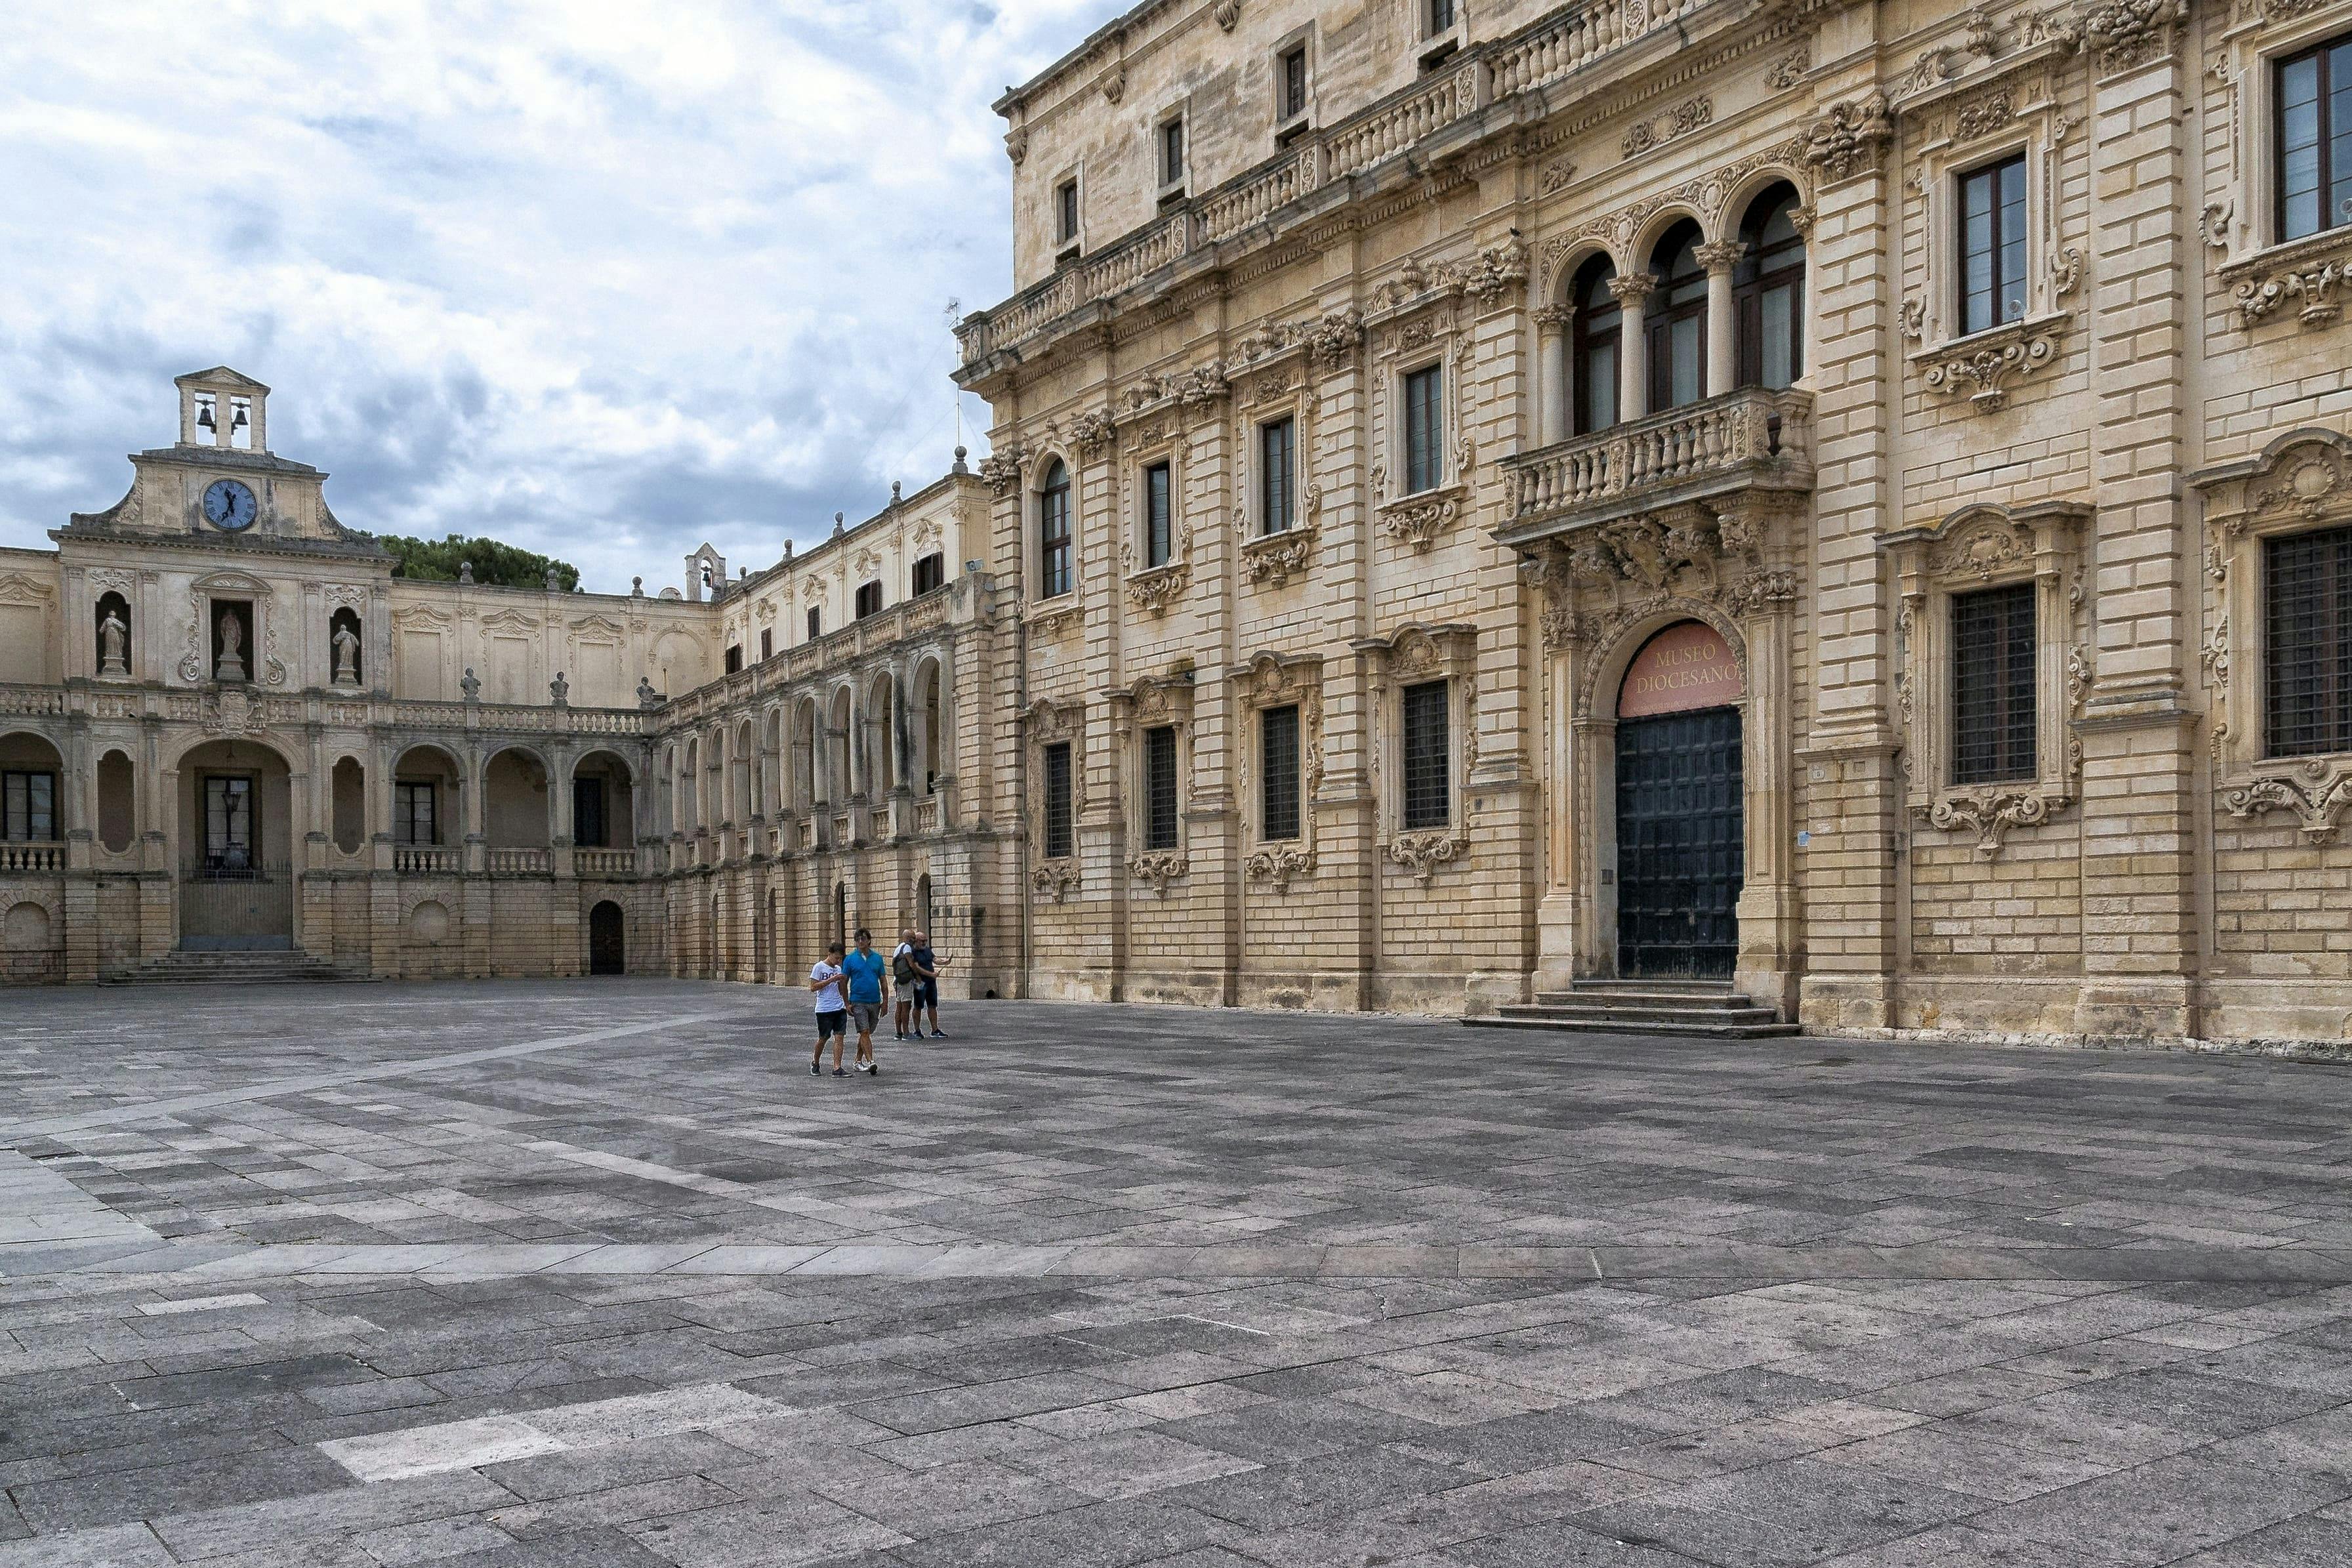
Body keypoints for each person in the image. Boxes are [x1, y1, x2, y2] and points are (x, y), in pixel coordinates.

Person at [840, 927, 890, 1076]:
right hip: (858, 1001)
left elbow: (883, 980)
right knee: (865, 1031)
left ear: (869, 940)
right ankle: (871, 1062)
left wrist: (886, 1001)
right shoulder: (849, 959)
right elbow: (843, 981)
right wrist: (846, 1002)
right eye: (858, 939)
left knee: (866, 1033)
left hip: (875, 1000)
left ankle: (857, 1061)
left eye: (863, 939)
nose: (860, 942)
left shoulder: (877, 959)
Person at [809, 939, 850, 1077]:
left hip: (838, 1007)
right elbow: (813, 987)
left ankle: (837, 1067)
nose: (838, 961)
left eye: (840, 959)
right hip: (824, 1008)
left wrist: (847, 1003)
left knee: (840, 1037)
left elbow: (842, 989)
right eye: (837, 958)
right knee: (824, 1037)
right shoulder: (819, 967)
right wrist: (831, 980)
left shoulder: (838, 969)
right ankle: (815, 1061)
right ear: (830, 954)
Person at [909, 930, 946, 1039]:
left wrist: (944, 961)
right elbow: (917, 968)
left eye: (926, 940)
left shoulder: (927, 950)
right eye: (922, 941)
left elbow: (935, 959)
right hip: (920, 982)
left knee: (933, 1005)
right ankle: (917, 1030)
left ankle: (935, 1030)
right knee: (918, 1006)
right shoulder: (913, 952)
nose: (925, 942)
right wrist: (931, 974)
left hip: (931, 983)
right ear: (916, 941)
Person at [891, 926, 919, 1041]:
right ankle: (906, 1033)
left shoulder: (898, 948)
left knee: (899, 1007)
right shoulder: (907, 947)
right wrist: (918, 977)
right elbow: (911, 964)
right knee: (906, 1007)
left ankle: (899, 1033)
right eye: (913, 938)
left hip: (898, 979)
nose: (915, 940)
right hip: (905, 980)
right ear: (908, 938)